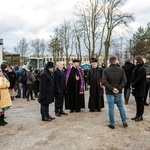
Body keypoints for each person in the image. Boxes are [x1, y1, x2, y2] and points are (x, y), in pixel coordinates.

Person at [102, 56, 128, 129]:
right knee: (120, 106)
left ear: (109, 62)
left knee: (111, 107)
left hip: (110, 91)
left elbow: (104, 81)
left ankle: (112, 124)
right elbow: (124, 81)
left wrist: (112, 88)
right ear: (116, 61)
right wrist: (118, 89)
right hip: (118, 91)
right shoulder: (121, 70)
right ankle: (124, 121)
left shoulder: (106, 70)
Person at [131, 56, 146, 121]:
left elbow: (139, 78)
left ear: (137, 61)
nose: (134, 61)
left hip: (140, 88)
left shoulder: (142, 68)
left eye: (135, 60)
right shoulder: (136, 67)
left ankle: (140, 115)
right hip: (136, 87)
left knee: (140, 102)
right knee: (137, 102)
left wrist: (133, 84)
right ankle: (137, 114)